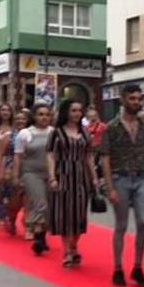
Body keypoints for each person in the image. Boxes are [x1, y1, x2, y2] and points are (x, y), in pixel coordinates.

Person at [100, 84, 144, 287]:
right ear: (123, 100)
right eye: (132, 98)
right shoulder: (112, 127)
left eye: (139, 99)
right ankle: (117, 268)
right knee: (121, 225)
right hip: (120, 178)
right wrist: (110, 186)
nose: (137, 102)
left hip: (141, 178)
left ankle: (138, 267)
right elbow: (105, 158)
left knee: (143, 222)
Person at [47, 98, 97, 269]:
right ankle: (68, 250)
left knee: (79, 213)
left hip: (81, 174)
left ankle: (74, 245)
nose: (77, 114)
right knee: (65, 213)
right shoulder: (56, 132)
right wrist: (52, 177)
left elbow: (89, 155)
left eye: (79, 110)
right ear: (66, 112)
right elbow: (51, 155)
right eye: (73, 110)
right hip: (63, 173)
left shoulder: (85, 132)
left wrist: (94, 177)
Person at [13, 103, 54, 256]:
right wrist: (16, 176)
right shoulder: (24, 133)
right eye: (41, 114)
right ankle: (37, 236)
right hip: (31, 173)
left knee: (48, 206)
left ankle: (41, 236)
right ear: (34, 117)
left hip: (50, 173)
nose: (44, 117)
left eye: (47, 115)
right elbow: (18, 156)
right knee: (40, 203)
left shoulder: (54, 133)